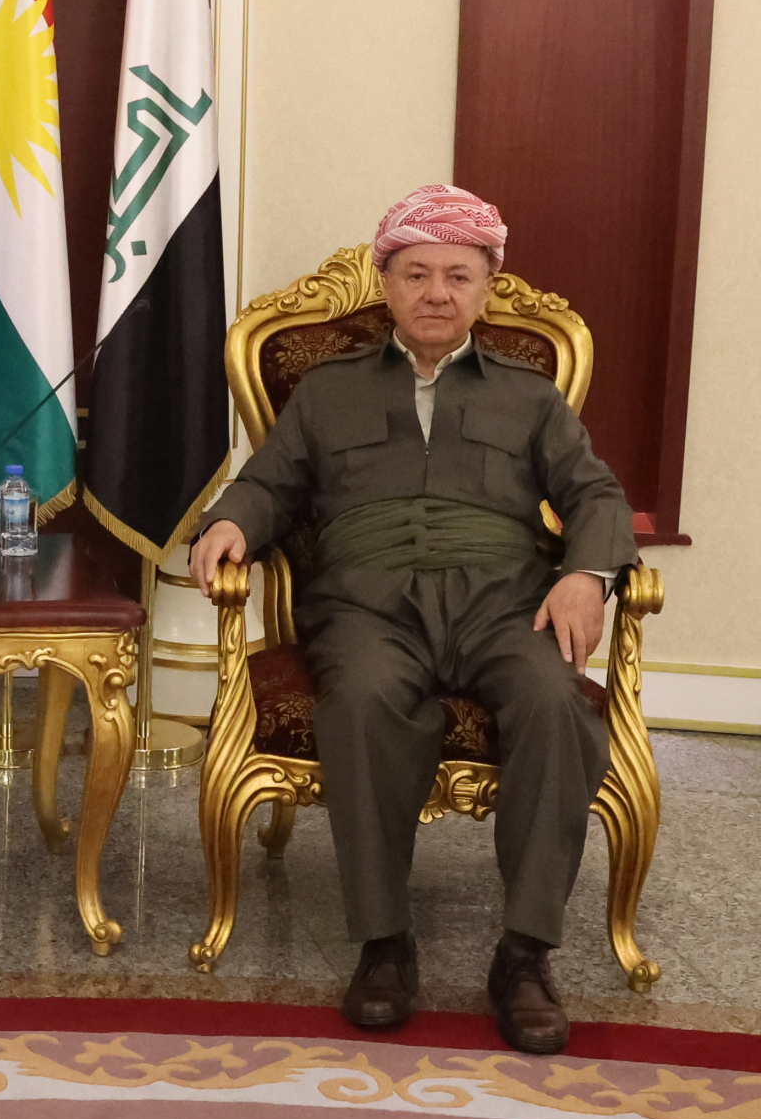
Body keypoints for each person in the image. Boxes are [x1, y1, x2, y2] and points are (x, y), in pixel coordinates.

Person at [188, 185, 638, 1055]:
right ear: (386, 282)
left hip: (504, 601)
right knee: (361, 704)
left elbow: (596, 494)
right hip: (367, 601)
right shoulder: (327, 391)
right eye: (417, 273)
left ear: (486, 287)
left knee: (555, 704)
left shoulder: (531, 397)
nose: (437, 293)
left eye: (458, 276)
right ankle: (384, 945)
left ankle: (526, 954)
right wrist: (231, 522)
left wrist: (585, 575)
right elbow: (269, 481)